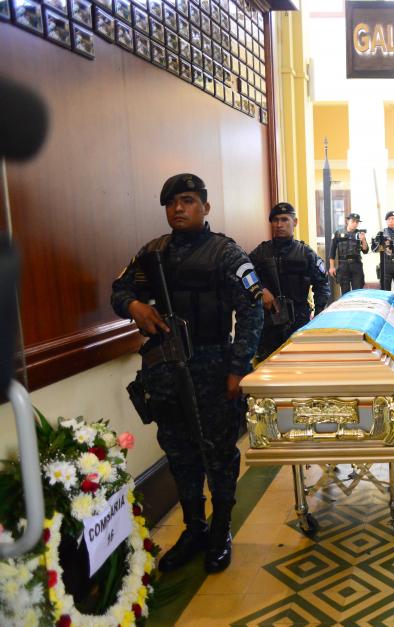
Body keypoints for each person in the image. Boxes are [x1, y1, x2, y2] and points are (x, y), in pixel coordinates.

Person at [111, 173, 263, 573]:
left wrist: (238, 368)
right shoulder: (152, 253)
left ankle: (220, 530)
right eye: (171, 202)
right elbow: (119, 289)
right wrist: (134, 308)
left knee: (218, 454)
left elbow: (252, 310)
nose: (178, 208)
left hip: (213, 367)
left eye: (188, 200)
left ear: (205, 207)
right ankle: (194, 528)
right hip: (166, 370)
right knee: (179, 454)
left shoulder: (226, 254)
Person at [249, 202, 331, 361]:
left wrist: (319, 314)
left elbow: (322, 284)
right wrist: (260, 290)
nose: (279, 224)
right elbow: (245, 275)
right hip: (269, 321)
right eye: (275, 220)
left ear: (295, 222)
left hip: (298, 320)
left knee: (299, 362)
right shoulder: (261, 251)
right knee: (267, 363)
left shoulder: (306, 253)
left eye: (285, 219)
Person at [329, 213, 368, 294]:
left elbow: (365, 250)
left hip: (356, 265)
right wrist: (331, 267)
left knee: (357, 292)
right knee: (345, 292)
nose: (355, 224)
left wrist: (363, 240)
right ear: (347, 221)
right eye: (353, 221)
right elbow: (332, 250)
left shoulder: (359, 234)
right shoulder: (338, 233)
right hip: (343, 265)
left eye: (357, 222)